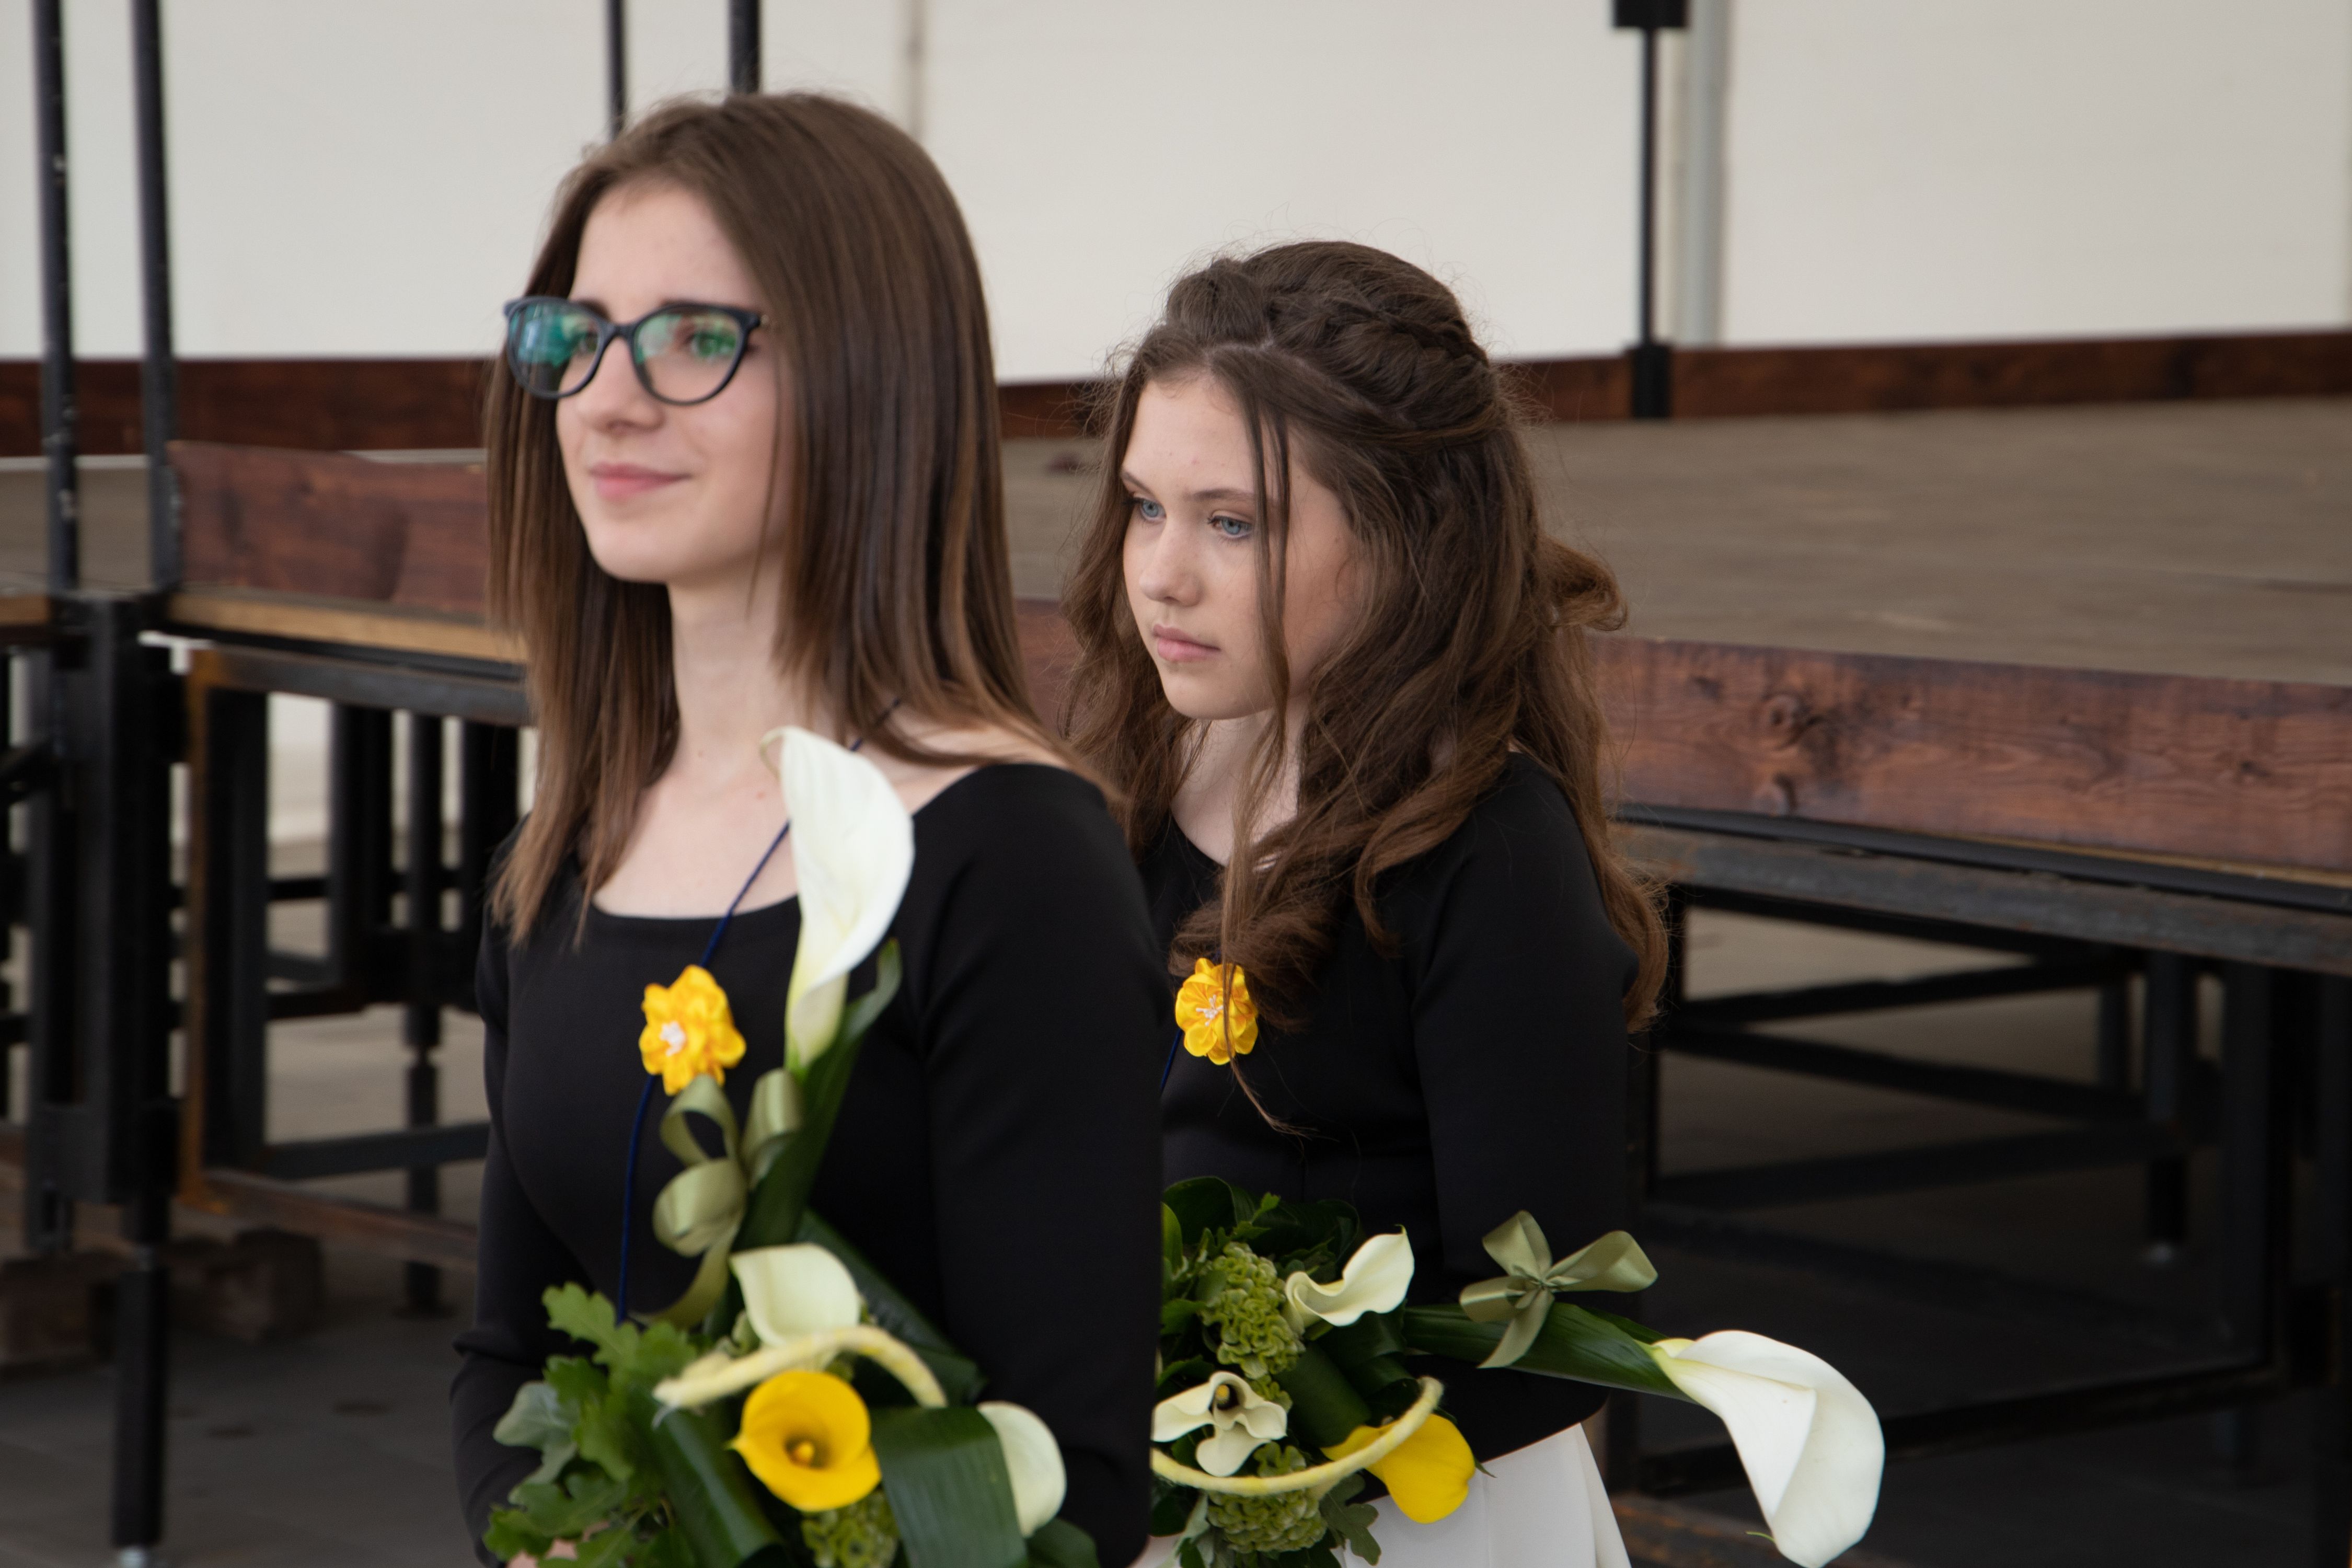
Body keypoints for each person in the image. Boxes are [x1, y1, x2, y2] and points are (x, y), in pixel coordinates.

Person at [449, 95, 1164, 1566]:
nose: (606, 400)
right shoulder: (567, 853)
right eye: (577, 336)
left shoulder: (1011, 862)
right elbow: (507, 1356)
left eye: (694, 338)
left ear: (870, 377)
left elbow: (1074, 1480)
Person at [1063, 241, 1667, 1566]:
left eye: (1232, 524)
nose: (1162, 573)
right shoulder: (1137, 776)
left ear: (1404, 540)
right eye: (1146, 509)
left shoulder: (1486, 856)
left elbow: (1553, 1333)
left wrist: (1262, 1443)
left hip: (1400, 1515)